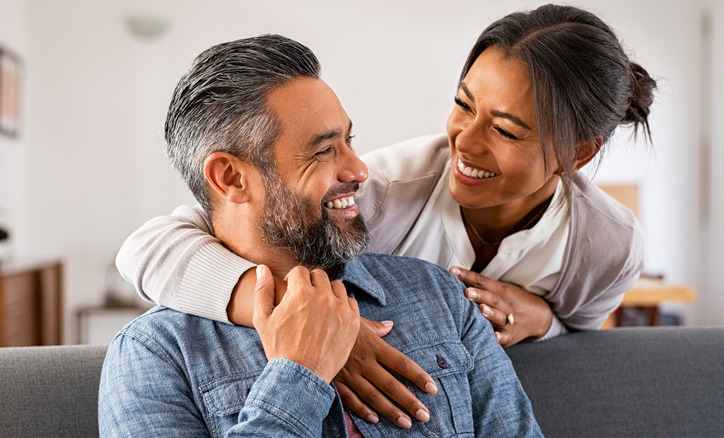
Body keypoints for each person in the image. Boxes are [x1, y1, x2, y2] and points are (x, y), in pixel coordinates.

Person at [116, 3, 655, 428]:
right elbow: (156, 244)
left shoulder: (608, 245)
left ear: (577, 154)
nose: (464, 142)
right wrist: (311, 322)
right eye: (463, 104)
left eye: (506, 130)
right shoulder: (382, 191)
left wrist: (544, 320)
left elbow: (578, 336)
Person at [98, 34, 542, 437]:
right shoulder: (155, 354)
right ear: (231, 178)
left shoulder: (440, 296)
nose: (359, 170)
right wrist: (298, 374)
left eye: (349, 141)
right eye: (324, 150)